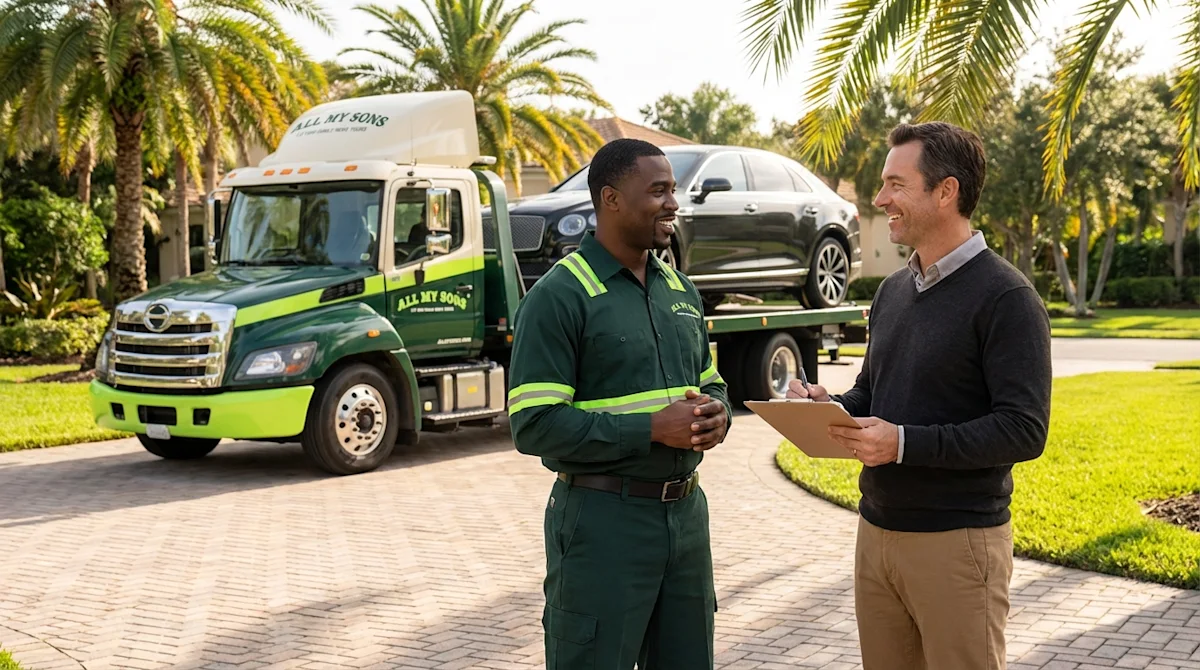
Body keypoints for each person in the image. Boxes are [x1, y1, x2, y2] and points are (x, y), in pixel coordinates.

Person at [787, 122, 1052, 670]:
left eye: (895, 184)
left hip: (957, 545)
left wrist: (904, 444)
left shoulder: (1008, 298)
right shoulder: (893, 290)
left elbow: (1024, 429)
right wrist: (828, 407)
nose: (881, 199)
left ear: (946, 191)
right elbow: (871, 391)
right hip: (876, 535)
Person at [507, 138, 732, 669]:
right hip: (603, 523)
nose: (673, 203)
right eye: (657, 191)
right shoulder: (559, 297)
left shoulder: (681, 290)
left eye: (673, 190)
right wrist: (652, 429)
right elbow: (534, 425)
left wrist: (715, 414)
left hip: (686, 519)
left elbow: (711, 381)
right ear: (610, 199)